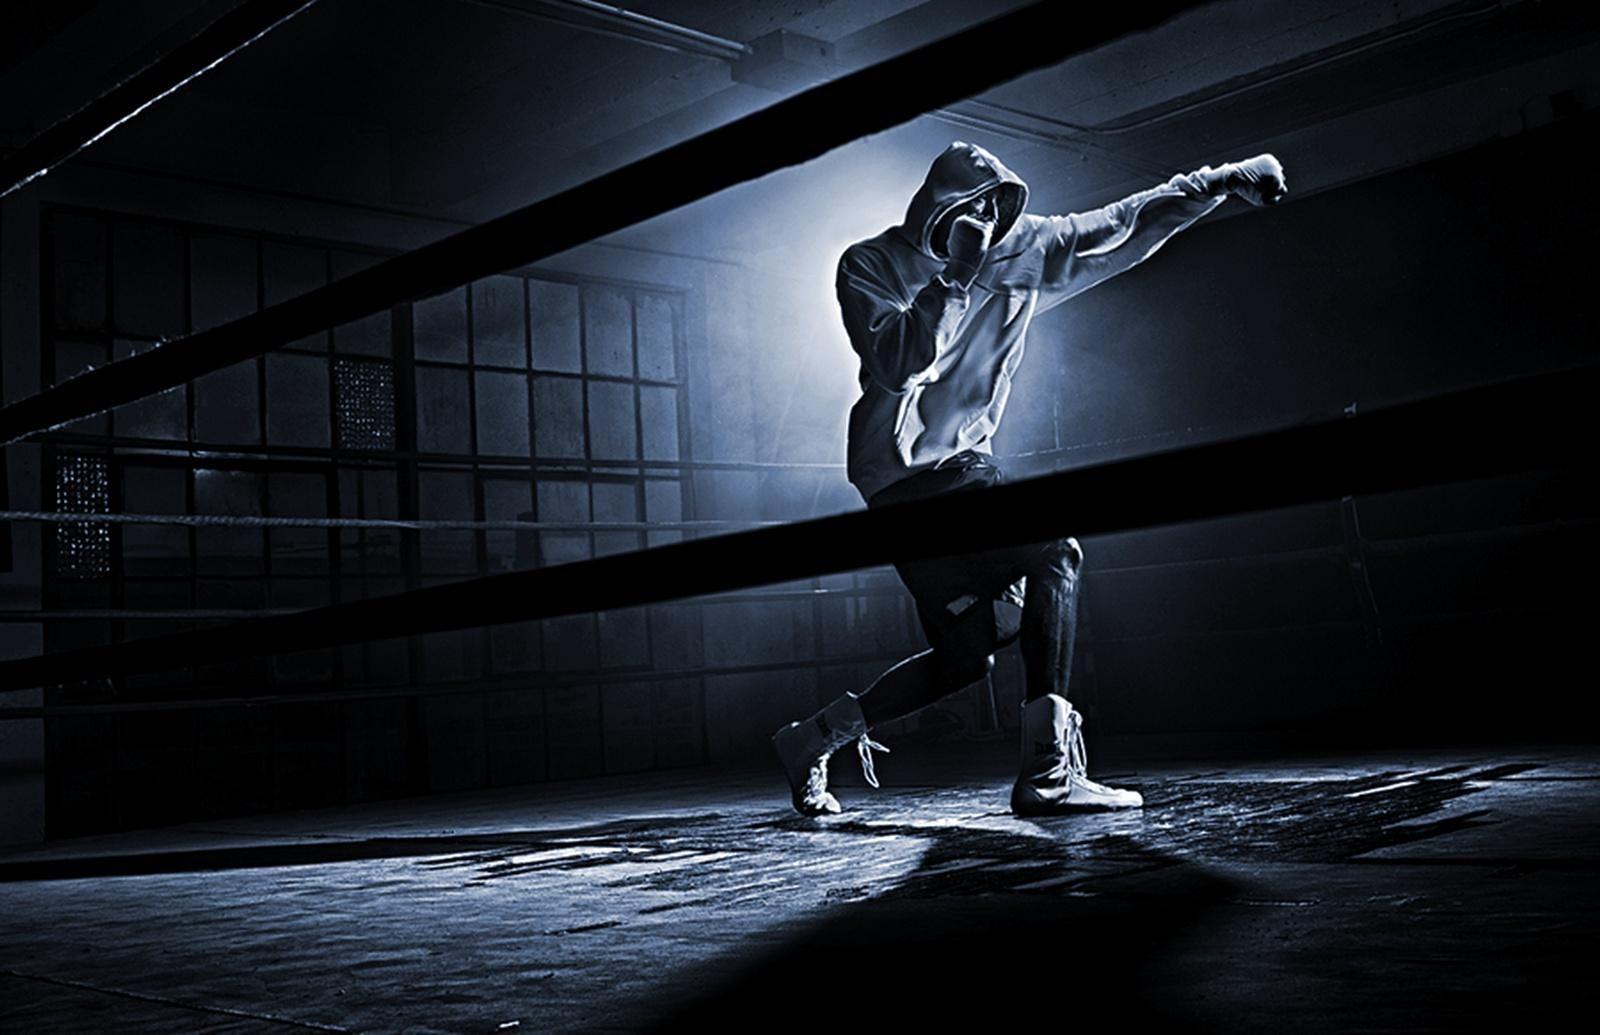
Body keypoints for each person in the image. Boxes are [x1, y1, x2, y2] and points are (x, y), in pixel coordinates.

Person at [773, 141, 1287, 816]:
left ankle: (813, 737)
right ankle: (1047, 770)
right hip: (907, 479)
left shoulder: (1026, 249)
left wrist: (1218, 181)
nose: (984, 217)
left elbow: (1125, 224)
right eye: (969, 204)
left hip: (954, 473)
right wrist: (955, 275)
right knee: (1055, 552)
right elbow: (898, 364)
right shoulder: (871, 262)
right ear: (935, 200)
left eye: (996, 204)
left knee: (965, 658)